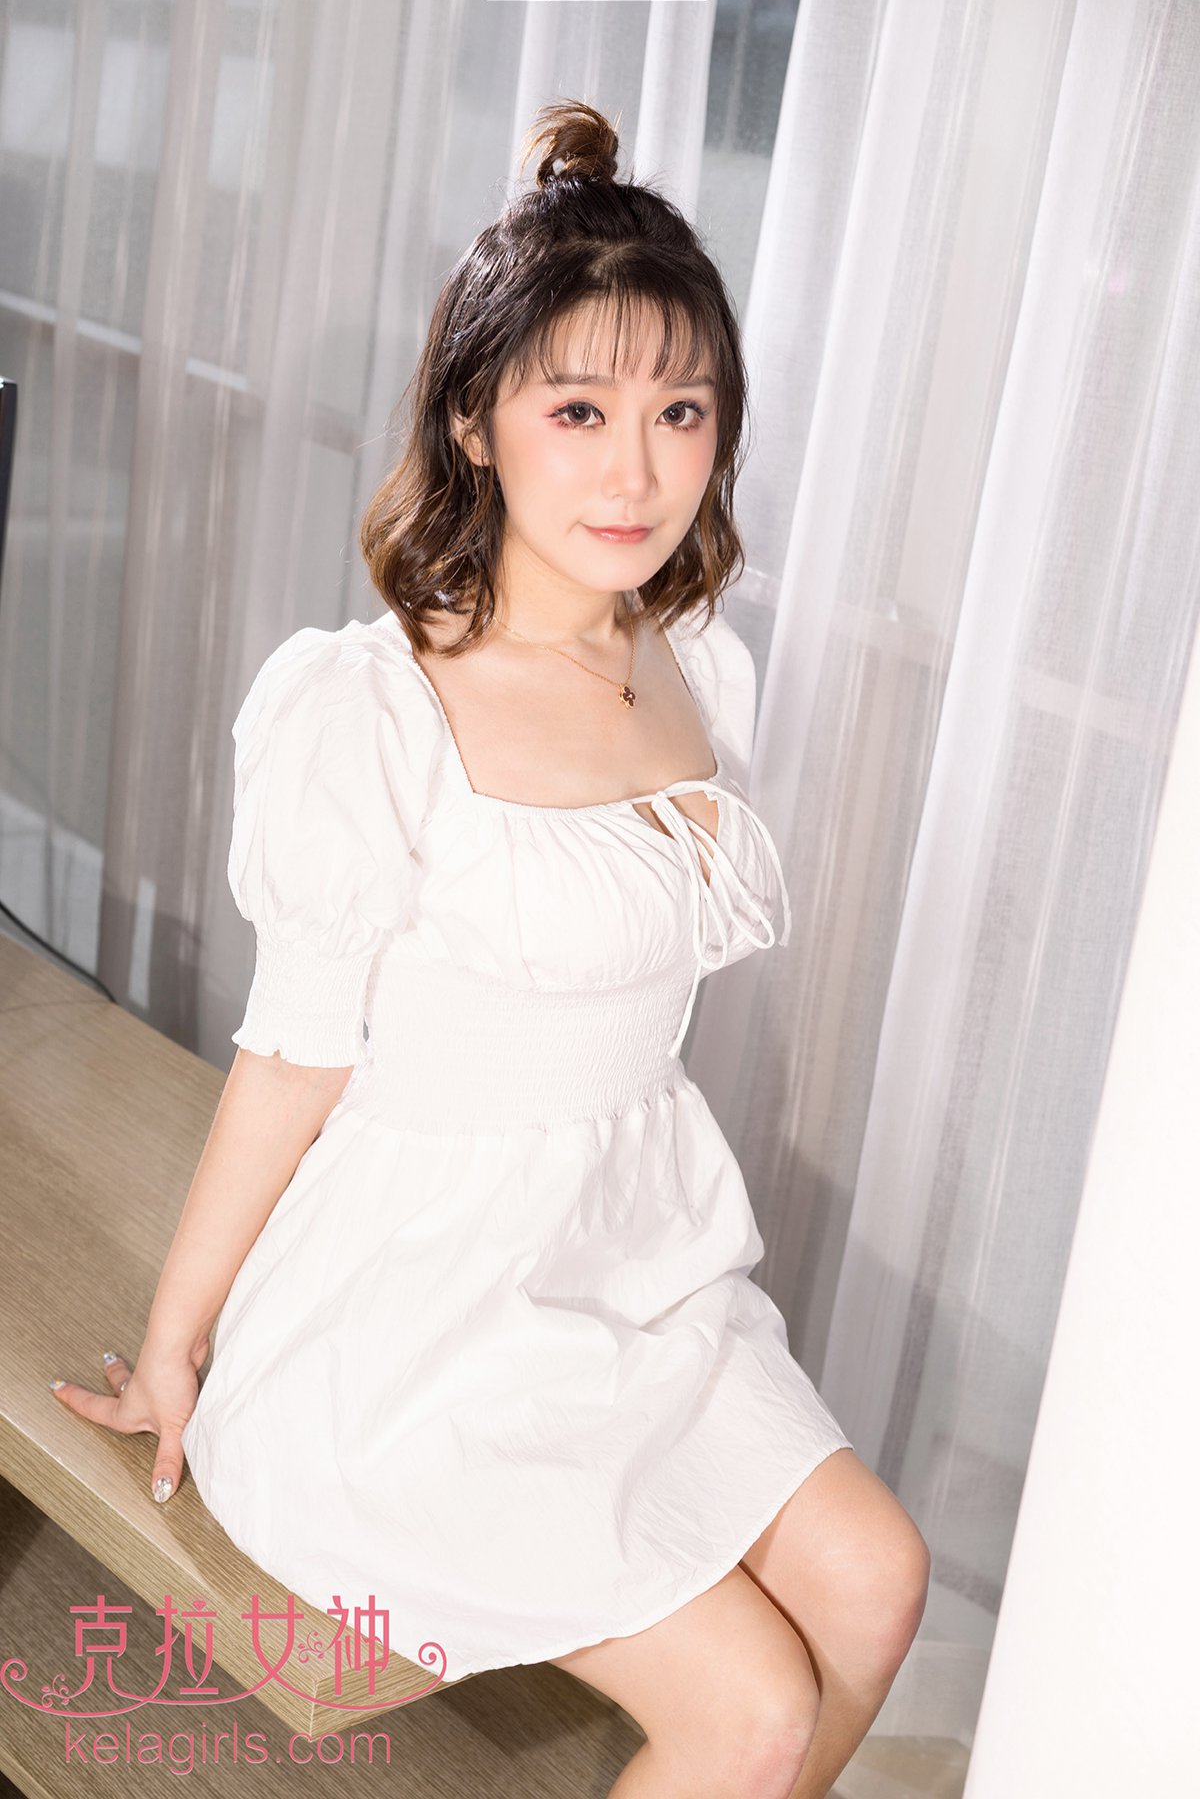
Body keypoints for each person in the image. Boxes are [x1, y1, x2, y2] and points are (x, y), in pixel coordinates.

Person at [49, 100, 929, 1798]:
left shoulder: (693, 664)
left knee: (882, 1586)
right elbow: (293, 1057)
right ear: (476, 419)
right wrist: (176, 1343)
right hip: (420, 1323)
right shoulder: (374, 709)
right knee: (750, 1708)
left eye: (681, 412)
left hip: (637, 1265)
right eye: (578, 410)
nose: (636, 471)